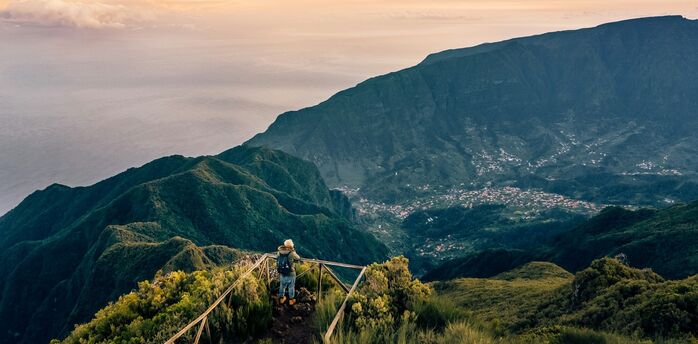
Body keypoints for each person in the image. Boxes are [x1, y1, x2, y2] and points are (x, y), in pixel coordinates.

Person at [277, 239, 301, 305]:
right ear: (291, 246)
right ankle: (291, 300)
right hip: (290, 272)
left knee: (282, 285)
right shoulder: (291, 253)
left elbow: (277, 258)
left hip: (282, 271)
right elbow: (298, 258)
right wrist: (293, 251)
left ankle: (281, 298)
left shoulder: (279, 252)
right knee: (291, 286)